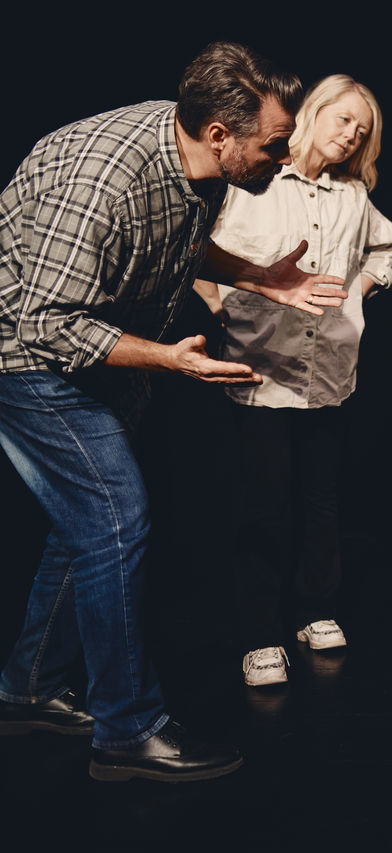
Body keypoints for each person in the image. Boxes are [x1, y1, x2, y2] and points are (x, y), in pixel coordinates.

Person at [0, 42, 348, 782]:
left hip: (87, 354)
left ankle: (27, 688)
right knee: (116, 517)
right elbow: (46, 323)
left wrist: (261, 279)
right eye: (274, 145)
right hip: (24, 359)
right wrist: (170, 358)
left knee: (85, 524)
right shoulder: (107, 175)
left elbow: (178, 245)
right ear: (221, 134)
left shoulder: (193, 161)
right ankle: (126, 730)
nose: (283, 160)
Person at [193, 75, 392, 687]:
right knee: (263, 505)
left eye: (361, 131)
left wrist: (356, 296)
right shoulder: (252, 181)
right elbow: (195, 251)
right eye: (343, 120)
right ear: (313, 113)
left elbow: (384, 251)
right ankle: (260, 636)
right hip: (260, 373)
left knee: (321, 501)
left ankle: (317, 611)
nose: (350, 135)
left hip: (328, 374)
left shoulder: (353, 196)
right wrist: (220, 305)